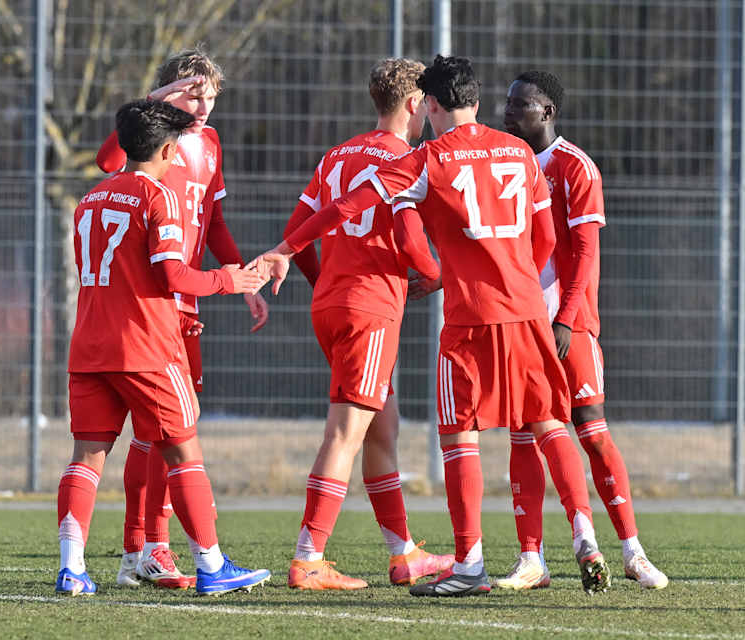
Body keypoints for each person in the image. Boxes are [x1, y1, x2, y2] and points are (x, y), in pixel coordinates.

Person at [253, 55, 611, 597]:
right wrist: (508, 270)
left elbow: (349, 206)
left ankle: (467, 562)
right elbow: (546, 241)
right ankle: (585, 535)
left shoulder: (426, 158)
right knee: (549, 421)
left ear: (436, 105)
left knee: (457, 435)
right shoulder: (520, 152)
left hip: (466, 317)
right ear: (479, 100)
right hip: (526, 310)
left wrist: (287, 248)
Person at [56, 99, 271, 597]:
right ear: (169, 149)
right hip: (146, 346)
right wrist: (229, 279)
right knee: (184, 450)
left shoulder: (89, 200)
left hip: (89, 347)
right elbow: (171, 275)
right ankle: (212, 566)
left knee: (86, 458)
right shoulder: (159, 197)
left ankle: (73, 568)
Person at [280, 58, 453, 591]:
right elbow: (409, 242)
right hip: (370, 307)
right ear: (411, 104)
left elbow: (298, 229)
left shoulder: (338, 154)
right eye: (424, 101)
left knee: (383, 425)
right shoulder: (405, 158)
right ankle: (309, 557)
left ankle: (403, 552)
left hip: (333, 303)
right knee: (346, 431)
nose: (427, 110)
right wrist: (437, 275)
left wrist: (325, 280)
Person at [498, 70, 668, 590]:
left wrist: (567, 319)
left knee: (592, 432)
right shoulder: (506, 162)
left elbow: (587, 255)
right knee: (524, 433)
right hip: (522, 322)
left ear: (547, 112)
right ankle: (532, 558)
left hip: (568, 325)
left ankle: (633, 551)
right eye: (505, 105)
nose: (507, 114)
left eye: (519, 105)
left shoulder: (575, 167)